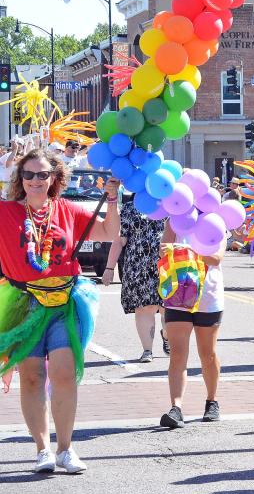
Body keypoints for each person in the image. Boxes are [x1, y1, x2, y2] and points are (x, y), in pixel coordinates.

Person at [0, 148, 120, 473]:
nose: (36, 180)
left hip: (64, 303)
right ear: (20, 179)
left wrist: (111, 200)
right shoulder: (6, 212)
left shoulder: (67, 209)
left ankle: (65, 449)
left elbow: (109, 233)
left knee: (64, 373)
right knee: (31, 377)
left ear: (54, 177)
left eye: (42, 174)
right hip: (24, 303)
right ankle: (42, 450)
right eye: (29, 174)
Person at [159, 222, 226, 429]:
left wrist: (189, 251)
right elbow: (164, 250)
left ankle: (212, 401)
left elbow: (217, 257)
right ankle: (176, 407)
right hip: (178, 291)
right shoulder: (175, 217)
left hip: (208, 295)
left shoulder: (217, 219)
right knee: (178, 354)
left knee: (208, 353)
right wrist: (169, 251)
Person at [103, 196, 167, 361]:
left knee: (169, 307)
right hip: (138, 268)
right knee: (144, 308)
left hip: (168, 265)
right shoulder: (130, 208)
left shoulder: (171, 204)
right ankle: (148, 350)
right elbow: (120, 240)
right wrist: (109, 268)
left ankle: (167, 335)